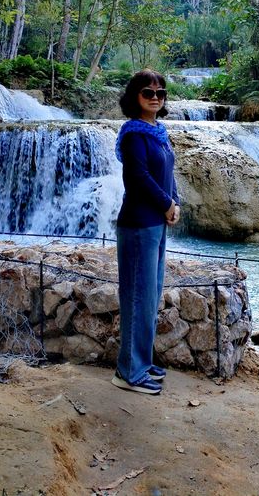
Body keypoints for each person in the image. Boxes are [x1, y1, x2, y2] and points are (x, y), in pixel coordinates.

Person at [112, 69, 180, 395]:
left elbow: (168, 174)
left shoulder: (158, 132)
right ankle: (129, 372)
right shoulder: (133, 135)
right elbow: (137, 178)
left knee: (150, 297)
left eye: (160, 93)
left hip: (156, 224)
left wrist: (174, 203)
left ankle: (142, 360)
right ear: (134, 96)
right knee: (138, 299)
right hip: (138, 224)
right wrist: (166, 203)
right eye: (147, 92)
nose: (155, 97)